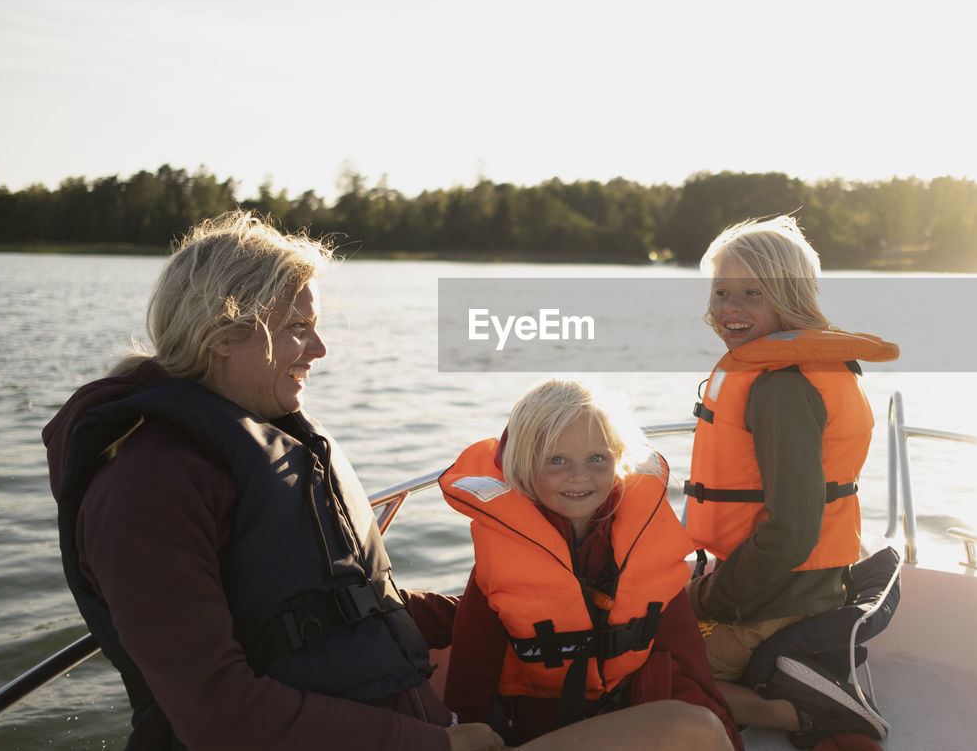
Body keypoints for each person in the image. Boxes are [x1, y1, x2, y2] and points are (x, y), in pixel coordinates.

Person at [44, 211, 730, 751]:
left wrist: (512, 605)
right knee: (690, 734)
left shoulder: (267, 444)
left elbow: (346, 604)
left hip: (410, 719)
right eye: (297, 329)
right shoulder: (144, 489)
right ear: (227, 333)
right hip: (405, 738)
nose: (318, 349)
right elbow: (221, 713)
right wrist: (433, 742)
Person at [682, 216, 900, 747]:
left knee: (645, 673)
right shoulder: (791, 367)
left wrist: (710, 599)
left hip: (782, 595)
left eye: (752, 293)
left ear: (790, 295)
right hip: (787, 582)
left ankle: (798, 711)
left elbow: (793, 531)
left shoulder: (781, 387)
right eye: (721, 291)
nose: (729, 308)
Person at [440, 378, 742, 750]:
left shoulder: (645, 548)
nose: (579, 476)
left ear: (618, 459)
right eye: (556, 460)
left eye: (596, 458)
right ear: (522, 467)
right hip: (545, 728)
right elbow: (470, 680)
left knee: (701, 725)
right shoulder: (498, 564)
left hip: (637, 710)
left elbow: (687, 658)